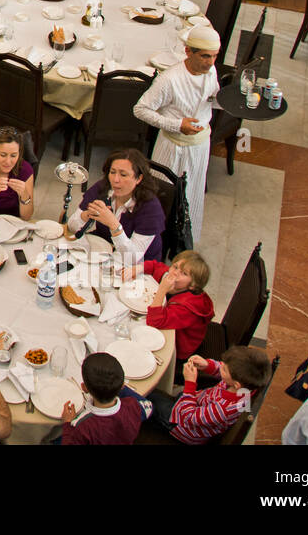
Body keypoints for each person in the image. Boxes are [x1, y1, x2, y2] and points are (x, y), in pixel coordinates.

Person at [133, 25, 220, 240]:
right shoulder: (169, 80)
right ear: (188, 51)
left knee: (191, 195)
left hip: (199, 147)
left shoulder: (211, 71)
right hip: (171, 148)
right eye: (205, 56)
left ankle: (183, 239)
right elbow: (140, 109)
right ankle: (153, 239)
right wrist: (176, 125)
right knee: (162, 197)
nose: (211, 62)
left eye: (215, 57)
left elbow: (212, 98)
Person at [152, 346, 272, 444]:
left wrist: (190, 383)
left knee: (150, 397)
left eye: (224, 369)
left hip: (184, 427)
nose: (221, 367)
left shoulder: (222, 410)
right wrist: (207, 365)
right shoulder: (245, 387)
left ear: (236, 384)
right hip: (196, 404)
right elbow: (224, 369)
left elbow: (188, 417)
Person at [65, 148, 166, 262]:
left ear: (138, 178)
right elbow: (72, 227)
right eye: (112, 172)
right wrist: (86, 215)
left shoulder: (151, 208)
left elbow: (132, 258)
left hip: (139, 265)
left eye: (123, 175)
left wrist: (113, 224)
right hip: (106, 248)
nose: (115, 180)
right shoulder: (102, 188)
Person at [133, 250, 214, 363]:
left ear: (193, 285)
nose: (175, 273)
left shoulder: (187, 308)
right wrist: (139, 268)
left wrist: (162, 289)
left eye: (184, 273)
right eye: (175, 267)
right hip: (174, 326)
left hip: (181, 346)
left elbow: (154, 322)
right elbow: (157, 267)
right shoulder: (176, 282)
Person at [60, 352, 153, 444]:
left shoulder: (82, 426)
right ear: (122, 385)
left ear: (84, 388)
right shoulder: (132, 405)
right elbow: (149, 408)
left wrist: (67, 423)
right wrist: (118, 386)